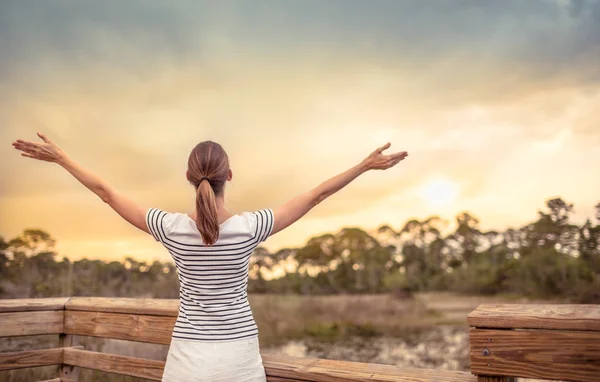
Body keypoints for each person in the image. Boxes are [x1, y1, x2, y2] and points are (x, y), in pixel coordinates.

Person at [11, 132, 408, 381]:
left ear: (188, 178)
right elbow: (316, 194)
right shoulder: (250, 228)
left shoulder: (171, 229)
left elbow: (106, 192)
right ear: (229, 177)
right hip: (238, 359)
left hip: (188, 361)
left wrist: (61, 158)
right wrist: (363, 166)